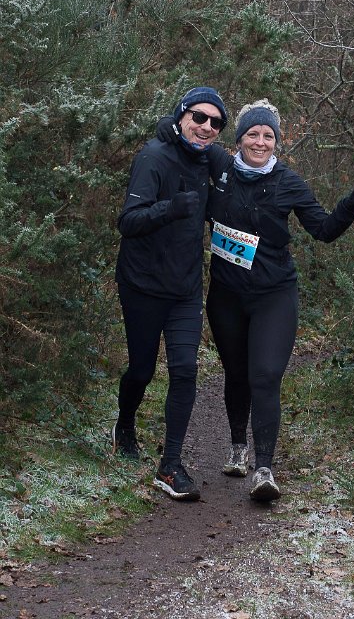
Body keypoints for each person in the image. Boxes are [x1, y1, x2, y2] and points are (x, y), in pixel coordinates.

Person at [157, 98, 354, 502]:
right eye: (253, 134)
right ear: (239, 139)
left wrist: (350, 205)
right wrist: (165, 129)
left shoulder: (288, 182)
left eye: (268, 136)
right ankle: (237, 447)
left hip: (274, 294)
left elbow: (324, 230)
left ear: (277, 141)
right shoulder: (220, 167)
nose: (260, 142)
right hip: (226, 296)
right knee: (236, 372)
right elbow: (189, 138)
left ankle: (264, 469)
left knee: (265, 376)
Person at [113, 86, 228, 502]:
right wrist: (170, 208)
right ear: (181, 116)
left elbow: (251, 171)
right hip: (142, 284)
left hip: (185, 289)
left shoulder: (209, 158)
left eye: (216, 122)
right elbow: (128, 221)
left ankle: (170, 465)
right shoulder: (153, 157)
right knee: (142, 370)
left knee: (184, 371)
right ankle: (125, 424)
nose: (207, 126)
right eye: (199, 117)